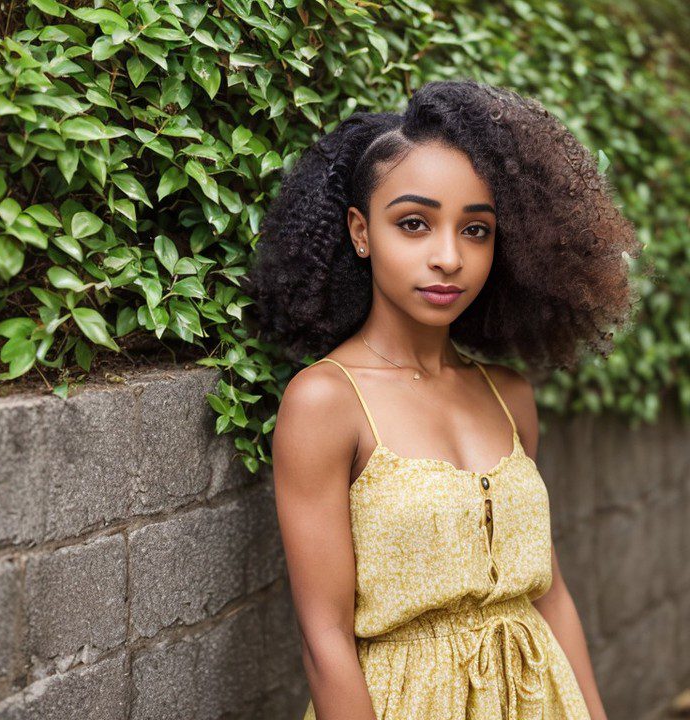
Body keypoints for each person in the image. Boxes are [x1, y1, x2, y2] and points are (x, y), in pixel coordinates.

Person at [244, 79, 642, 720]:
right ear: (361, 231)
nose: (449, 257)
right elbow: (325, 641)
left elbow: (552, 593)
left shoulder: (508, 395)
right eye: (413, 224)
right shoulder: (326, 402)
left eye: (477, 230)